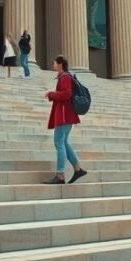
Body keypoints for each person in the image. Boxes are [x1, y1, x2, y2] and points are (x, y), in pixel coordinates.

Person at [42, 55, 87, 184]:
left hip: (64, 115)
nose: (53, 64)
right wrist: (53, 93)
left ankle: (60, 175)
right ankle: (78, 170)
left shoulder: (65, 77)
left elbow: (67, 94)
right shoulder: (64, 77)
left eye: (55, 62)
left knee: (59, 143)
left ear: (60, 64)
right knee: (64, 143)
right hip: (66, 114)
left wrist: (51, 94)